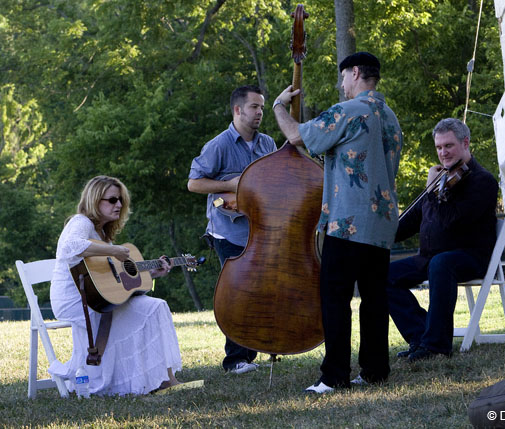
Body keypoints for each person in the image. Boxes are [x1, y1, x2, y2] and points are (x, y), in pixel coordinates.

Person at [273, 52, 403, 393]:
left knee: (335, 298)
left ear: (356, 73)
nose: (341, 84)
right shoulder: (390, 117)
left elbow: (298, 136)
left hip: (348, 221)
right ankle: (375, 370)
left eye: (343, 76)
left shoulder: (349, 111)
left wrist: (278, 107)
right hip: (382, 221)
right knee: (375, 299)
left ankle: (334, 376)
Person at [49, 175, 183, 396]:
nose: (119, 205)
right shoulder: (80, 222)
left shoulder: (102, 233)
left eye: (120, 200)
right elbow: (70, 247)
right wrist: (113, 250)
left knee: (155, 306)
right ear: (94, 200)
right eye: (112, 200)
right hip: (75, 300)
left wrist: (151, 272)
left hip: (97, 297)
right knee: (149, 309)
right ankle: (157, 381)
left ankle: (165, 380)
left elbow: (112, 277)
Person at [387, 118, 498, 362]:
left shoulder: (482, 181)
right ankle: (421, 336)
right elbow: (408, 223)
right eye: (438, 147)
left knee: (441, 263)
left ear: (465, 143)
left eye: (448, 146)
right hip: (430, 257)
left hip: (468, 256)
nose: (442, 152)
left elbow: (451, 221)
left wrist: (433, 191)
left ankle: (437, 345)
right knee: (383, 275)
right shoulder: (441, 180)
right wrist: (378, 233)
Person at [187, 85, 277, 374]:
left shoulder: (268, 144)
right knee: (238, 291)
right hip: (228, 233)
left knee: (259, 290)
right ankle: (235, 359)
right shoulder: (218, 145)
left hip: (261, 231)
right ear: (238, 110)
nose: (260, 112)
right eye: (254, 107)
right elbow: (194, 183)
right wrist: (230, 184)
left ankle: (250, 353)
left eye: (262, 107)